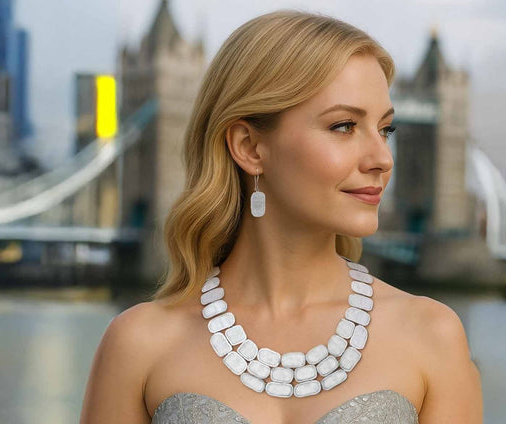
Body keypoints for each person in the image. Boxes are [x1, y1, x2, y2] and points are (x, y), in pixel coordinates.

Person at [80, 10, 483, 424]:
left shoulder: (433, 335)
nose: (382, 159)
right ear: (250, 147)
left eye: (385, 130)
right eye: (344, 126)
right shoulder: (138, 344)